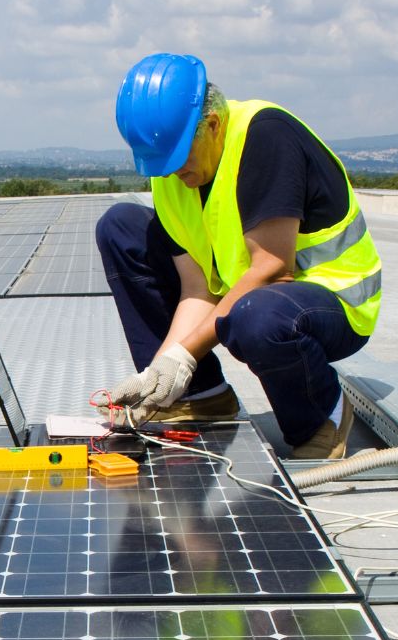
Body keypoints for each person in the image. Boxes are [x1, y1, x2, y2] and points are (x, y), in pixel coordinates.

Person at [98, 53, 382, 459]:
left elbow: (271, 269)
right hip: (253, 297)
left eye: (179, 160)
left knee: (256, 316)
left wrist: (182, 355)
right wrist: (160, 374)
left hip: (330, 304)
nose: (172, 173)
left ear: (212, 125)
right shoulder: (173, 174)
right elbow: (198, 289)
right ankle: (199, 397)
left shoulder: (266, 137)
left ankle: (322, 417)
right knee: (121, 225)